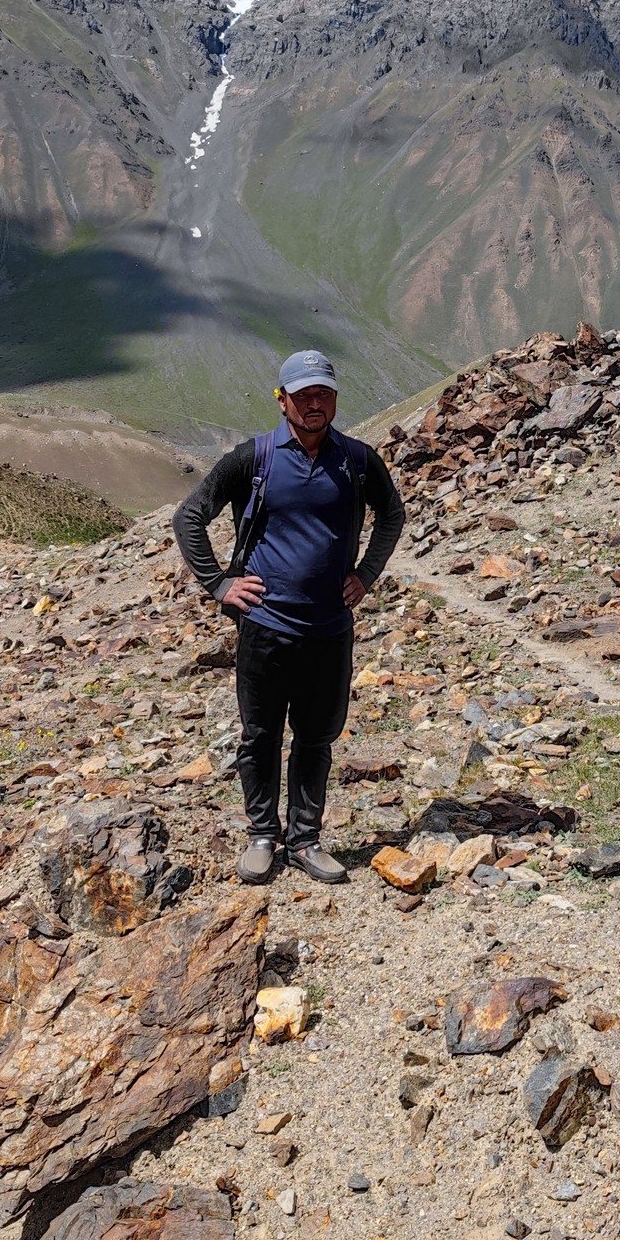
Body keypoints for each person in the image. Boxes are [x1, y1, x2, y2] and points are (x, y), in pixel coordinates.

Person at [177, 350, 406, 885]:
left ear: (334, 399)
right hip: (265, 628)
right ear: (282, 401)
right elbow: (190, 514)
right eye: (302, 395)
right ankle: (263, 835)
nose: (314, 404)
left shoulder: (356, 459)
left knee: (315, 738)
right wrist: (218, 583)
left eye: (322, 394)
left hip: (329, 629)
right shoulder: (252, 459)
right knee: (259, 735)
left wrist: (367, 573)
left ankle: (305, 840)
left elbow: (391, 515)